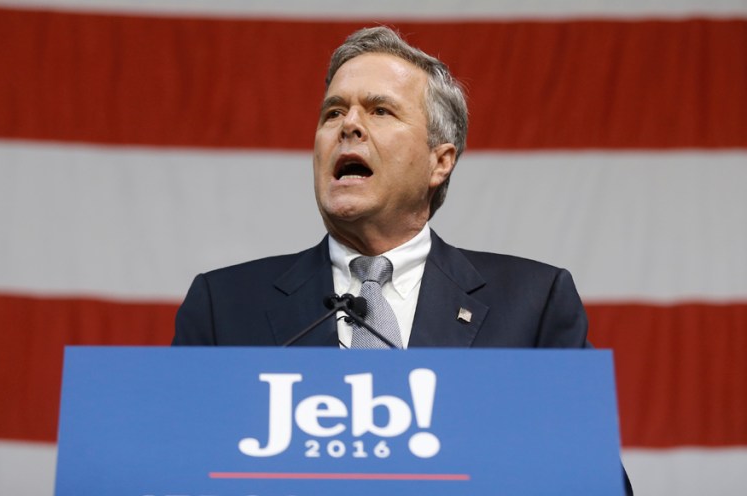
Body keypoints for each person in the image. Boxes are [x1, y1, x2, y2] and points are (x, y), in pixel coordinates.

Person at [172, 26, 632, 494]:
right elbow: (171, 471)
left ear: (439, 161)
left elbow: (595, 481)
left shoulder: (533, 305)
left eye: (380, 110)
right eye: (334, 112)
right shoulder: (223, 307)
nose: (349, 125)